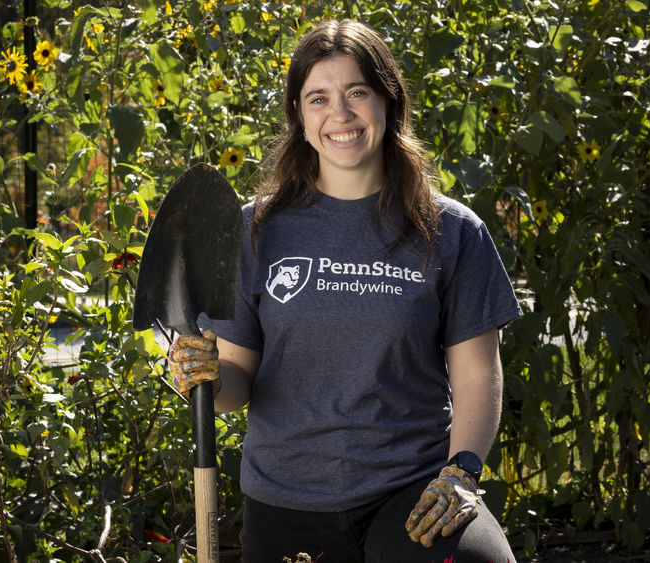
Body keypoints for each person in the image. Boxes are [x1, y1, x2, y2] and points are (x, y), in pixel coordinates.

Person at [168, 19, 522, 563]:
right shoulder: (254, 231)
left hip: (412, 490)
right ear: (299, 117)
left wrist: (461, 473)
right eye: (318, 98)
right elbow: (237, 382)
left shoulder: (451, 231)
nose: (341, 114)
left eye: (357, 91)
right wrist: (204, 380)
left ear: (389, 101)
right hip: (287, 500)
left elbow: (477, 373)